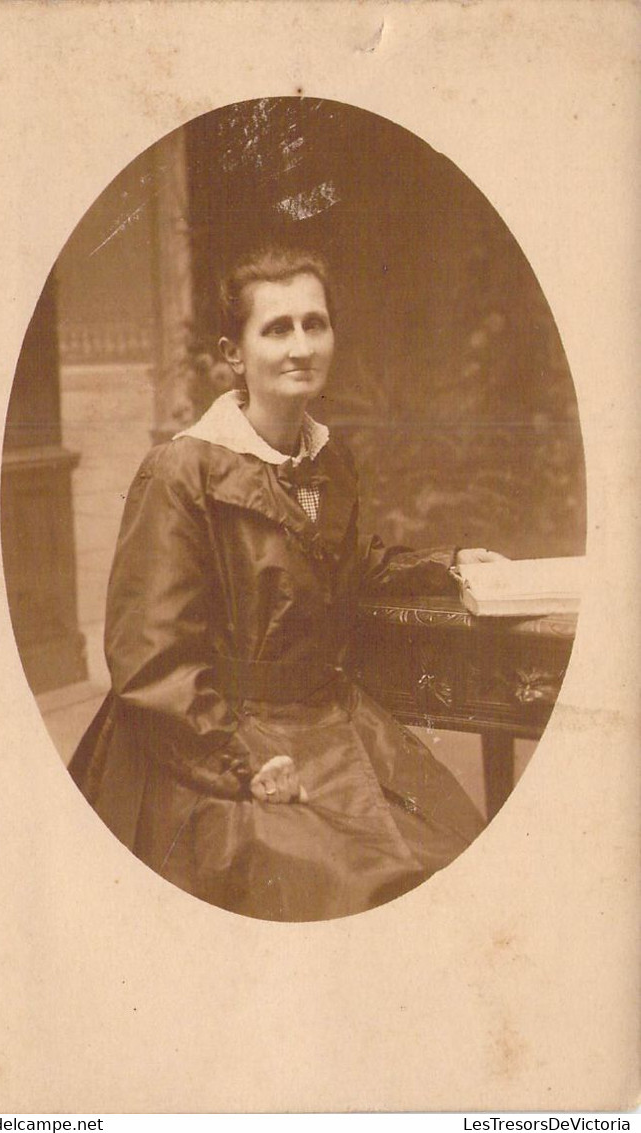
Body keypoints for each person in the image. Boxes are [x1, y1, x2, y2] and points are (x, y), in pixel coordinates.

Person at [70, 246, 496, 922]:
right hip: (215, 742)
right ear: (232, 352)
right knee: (355, 884)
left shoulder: (325, 460)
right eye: (276, 329)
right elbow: (152, 663)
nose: (301, 346)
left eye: (313, 323)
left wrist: (451, 563)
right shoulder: (182, 473)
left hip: (329, 718)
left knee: (458, 853)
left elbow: (347, 565)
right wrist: (241, 766)